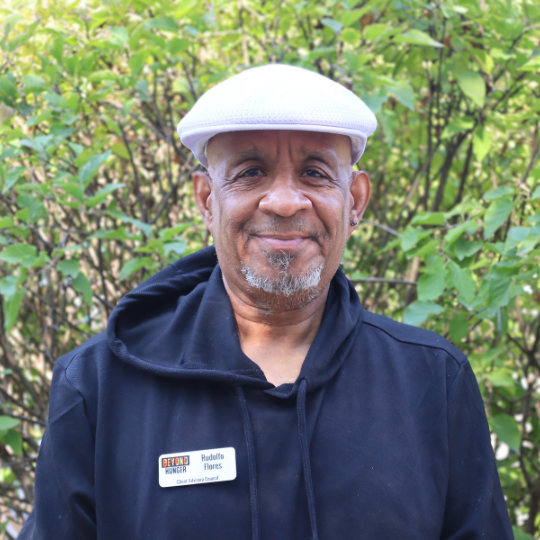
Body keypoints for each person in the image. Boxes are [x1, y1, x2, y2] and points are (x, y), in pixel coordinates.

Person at [19, 64, 513, 540]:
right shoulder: (100, 387)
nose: (283, 201)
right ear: (207, 200)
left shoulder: (432, 383)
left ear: (355, 200)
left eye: (315, 173)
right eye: (251, 172)